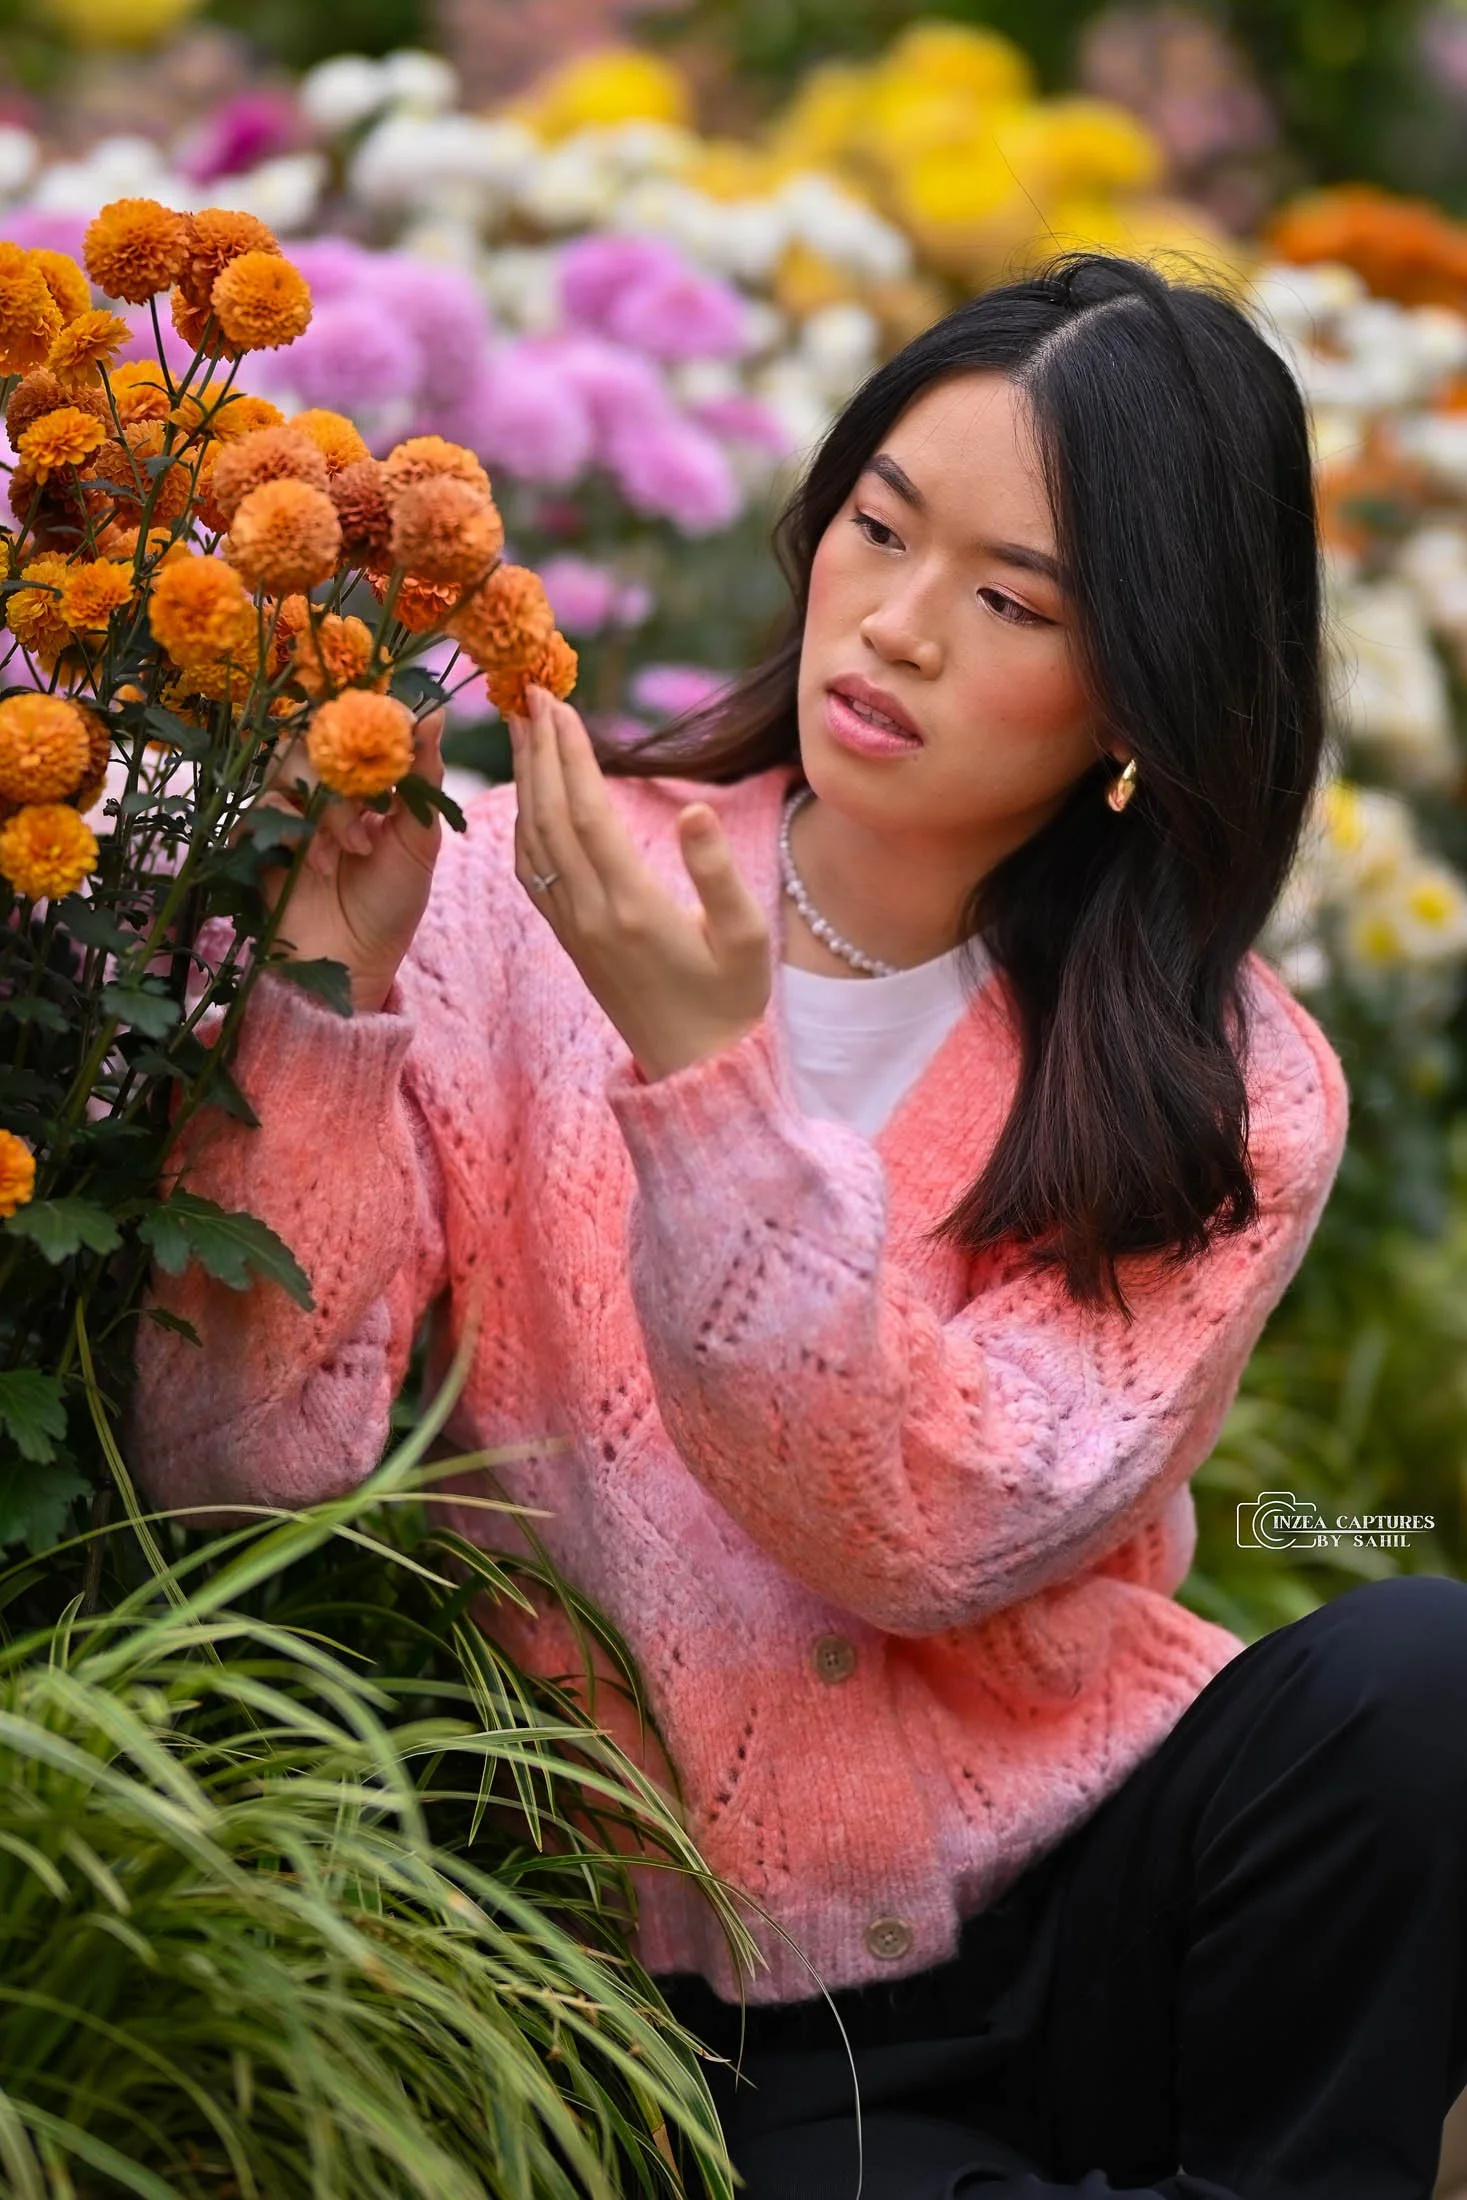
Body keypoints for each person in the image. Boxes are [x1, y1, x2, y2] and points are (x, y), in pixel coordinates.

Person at [125, 253, 1467, 2200]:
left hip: (1097, 1885)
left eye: (1011, 599)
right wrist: (323, 1010)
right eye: (880, 528)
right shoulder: (513, 896)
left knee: (1419, 1675)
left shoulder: (1228, 1070)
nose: (900, 627)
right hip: (700, 1994)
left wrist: (705, 1074)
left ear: (1143, 692)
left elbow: (926, 1526)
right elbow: (240, 1481)